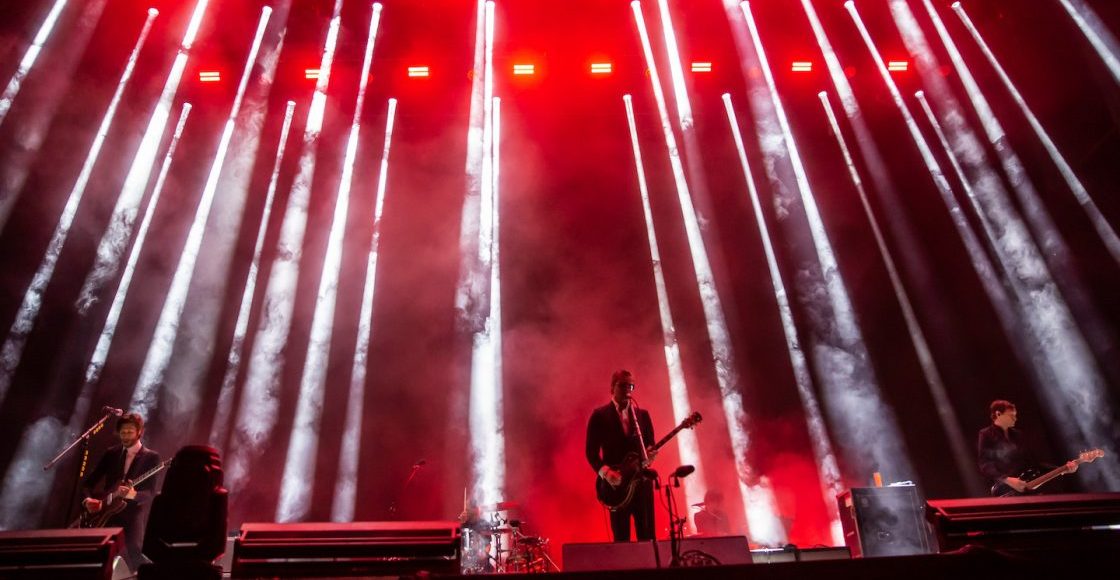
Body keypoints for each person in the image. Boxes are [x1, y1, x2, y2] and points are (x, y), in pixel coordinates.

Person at [81, 412, 163, 571]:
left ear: (140, 432)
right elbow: (87, 484)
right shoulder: (111, 453)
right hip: (105, 513)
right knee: (98, 556)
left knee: (134, 555)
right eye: (122, 432)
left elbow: (150, 493)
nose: (125, 436)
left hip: (132, 515)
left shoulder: (151, 457)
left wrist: (133, 495)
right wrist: (87, 500)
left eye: (130, 432)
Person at [585, 369, 656, 542]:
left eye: (631, 386)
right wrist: (606, 473)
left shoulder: (642, 415)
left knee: (647, 538)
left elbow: (650, 445)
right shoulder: (599, 416)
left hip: (641, 485)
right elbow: (591, 452)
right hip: (617, 487)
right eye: (623, 385)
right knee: (621, 539)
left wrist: (651, 455)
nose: (627, 389)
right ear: (612, 388)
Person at [977, 400, 1076, 495]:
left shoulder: (1018, 435)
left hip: (1027, 486)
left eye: (1015, 415)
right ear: (998, 414)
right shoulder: (986, 434)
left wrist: (1062, 469)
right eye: (1011, 415)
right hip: (1005, 490)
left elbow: (1033, 462)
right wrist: (1007, 479)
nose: (1015, 419)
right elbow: (985, 465)